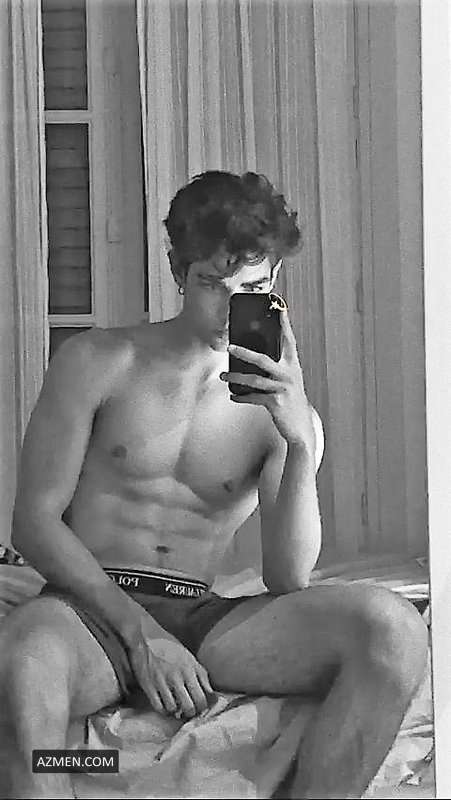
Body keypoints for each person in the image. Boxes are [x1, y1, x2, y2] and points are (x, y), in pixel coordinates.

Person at [0, 171, 427, 800]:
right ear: (179, 272)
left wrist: (298, 441)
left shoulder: (283, 413)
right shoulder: (97, 361)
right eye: (210, 284)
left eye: (250, 289)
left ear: (274, 280)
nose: (229, 310)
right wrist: (142, 634)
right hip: (86, 611)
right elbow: (34, 523)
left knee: (393, 629)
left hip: (204, 618)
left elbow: (288, 577)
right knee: (24, 662)